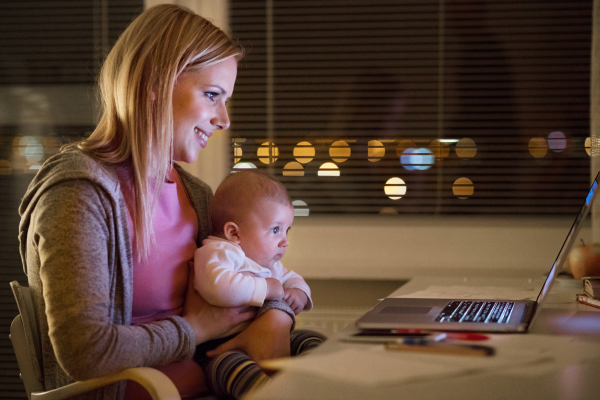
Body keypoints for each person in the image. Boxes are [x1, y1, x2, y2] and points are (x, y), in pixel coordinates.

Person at [17, 4, 301, 400]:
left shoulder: (198, 196)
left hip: (208, 382)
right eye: (212, 95)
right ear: (156, 83)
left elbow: (260, 275)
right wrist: (196, 330)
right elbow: (85, 351)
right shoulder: (80, 191)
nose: (224, 119)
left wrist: (277, 315)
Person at [191, 170, 319, 396]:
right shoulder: (218, 252)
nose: (285, 241)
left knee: (314, 342)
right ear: (233, 233)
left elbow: (290, 277)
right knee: (236, 370)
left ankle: (310, 384)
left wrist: (299, 292)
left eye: (287, 230)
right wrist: (267, 288)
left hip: (267, 341)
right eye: (275, 230)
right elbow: (218, 286)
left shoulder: (266, 263)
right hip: (220, 350)